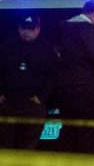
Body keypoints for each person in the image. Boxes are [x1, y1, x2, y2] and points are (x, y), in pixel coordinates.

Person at [59, 0, 94, 155]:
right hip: (85, 91)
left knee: (69, 134)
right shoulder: (86, 29)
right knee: (87, 135)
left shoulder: (64, 28)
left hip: (66, 90)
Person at [0, 15, 58, 150]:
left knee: (28, 146)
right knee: (4, 145)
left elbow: (53, 76)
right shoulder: (7, 47)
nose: (26, 32)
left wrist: (42, 98)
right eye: (23, 28)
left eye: (30, 29)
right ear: (18, 28)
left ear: (38, 29)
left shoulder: (47, 49)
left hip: (33, 105)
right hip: (8, 104)